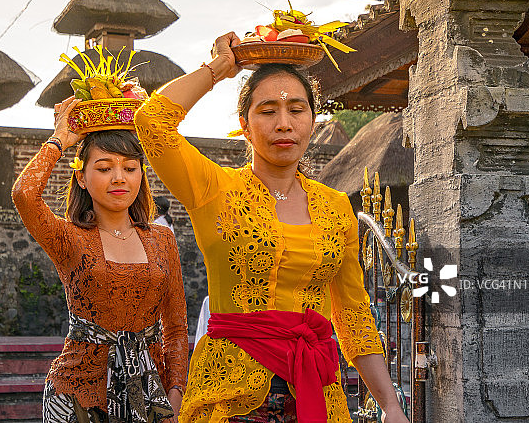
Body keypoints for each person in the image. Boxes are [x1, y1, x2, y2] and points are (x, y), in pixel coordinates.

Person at [133, 33, 409, 422]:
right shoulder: (214, 189)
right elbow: (151, 123)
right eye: (267, 111)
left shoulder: (335, 207)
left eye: (297, 110)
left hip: (315, 394)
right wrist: (218, 69)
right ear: (244, 126)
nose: (284, 124)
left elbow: (354, 316)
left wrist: (391, 405)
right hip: (231, 397)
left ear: (313, 121)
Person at [12, 96, 189, 423]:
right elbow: (24, 194)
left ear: (141, 175)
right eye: (105, 168)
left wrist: (174, 393)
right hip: (76, 396)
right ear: (81, 177)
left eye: (130, 168)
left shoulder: (162, 239)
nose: (119, 178)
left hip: (149, 394)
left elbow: (176, 328)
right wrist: (59, 141)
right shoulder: (68, 238)